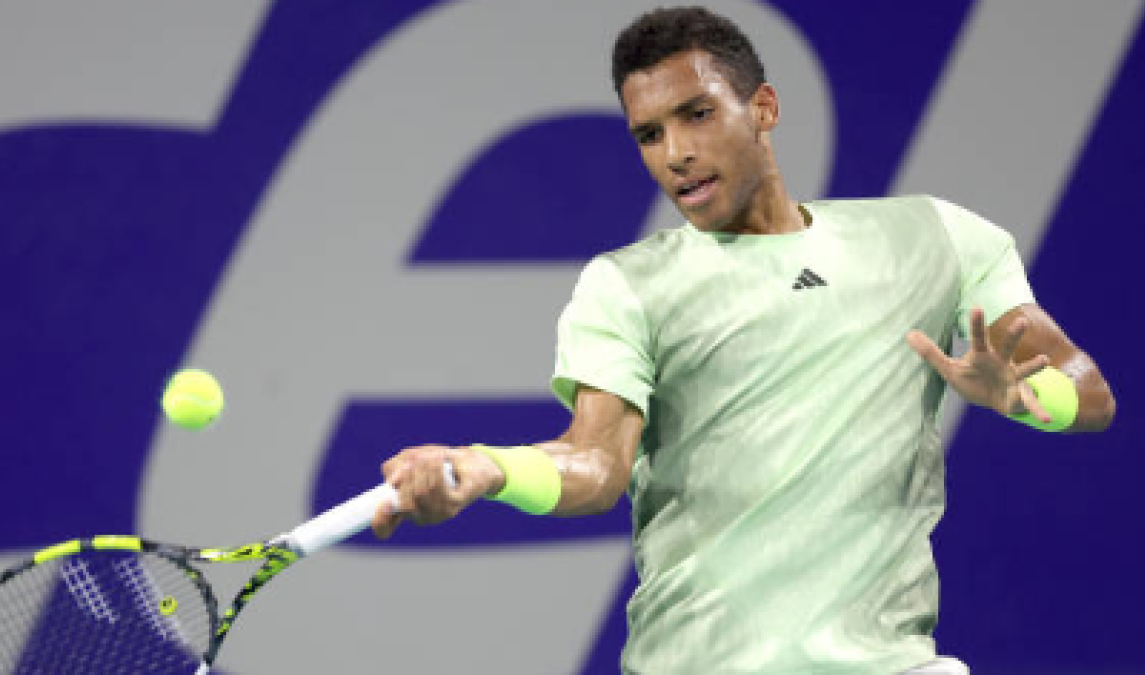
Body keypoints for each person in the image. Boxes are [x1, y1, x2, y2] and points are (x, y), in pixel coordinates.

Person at [371, 6, 1116, 673]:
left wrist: (1024, 397)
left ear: (763, 108)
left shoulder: (934, 237)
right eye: (649, 134)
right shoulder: (627, 285)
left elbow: (1089, 391)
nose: (675, 153)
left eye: (696, 115)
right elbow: (597, 464)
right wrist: (485, 468)